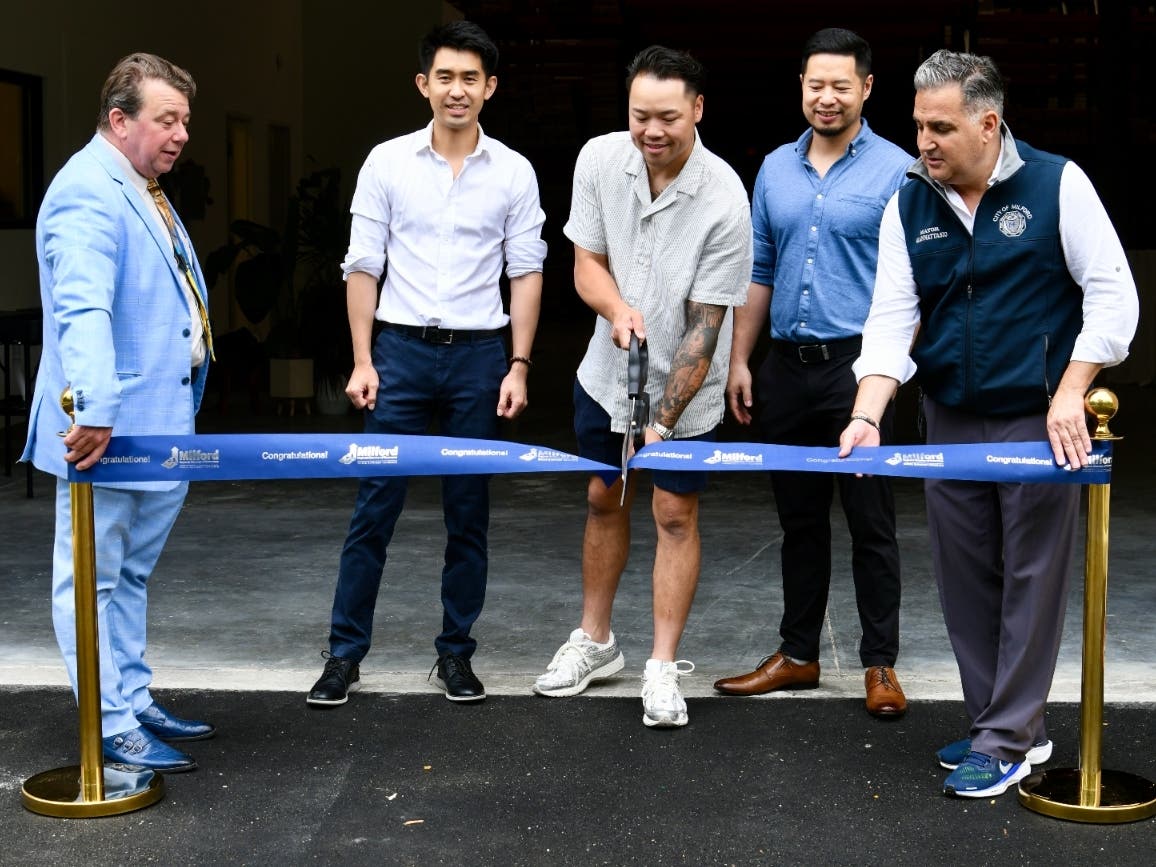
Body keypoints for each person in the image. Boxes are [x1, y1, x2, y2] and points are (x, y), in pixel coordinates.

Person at [838, 50, 1138, 798]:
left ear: (988, 122)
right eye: (917, 126)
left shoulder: (1056, 183)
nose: (924, 142)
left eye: (940, 127)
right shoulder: (909, 200)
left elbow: (1113, 298)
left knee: (1030, 578)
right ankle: (1004, 727)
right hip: (947, 416)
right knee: (965, 576)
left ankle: (1004, 738)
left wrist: (1072, 389)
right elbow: (890, 321)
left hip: (1039, 418)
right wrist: (866, 415)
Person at [306, 20, 545, 707]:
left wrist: (519, 364)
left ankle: (456, 654)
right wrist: (362, 359)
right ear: (423, 84)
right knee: (373, 508)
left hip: (478, 357)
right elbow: (362, 266)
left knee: (467, 513)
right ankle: (344, 654)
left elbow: (525, 272)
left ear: (490, 87)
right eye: (445, 76)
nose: (457, 89)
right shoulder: (386, 163)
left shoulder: (515, 171)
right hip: (401, 354)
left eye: (471, 77)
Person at [533, 46, 752, 728]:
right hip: (607, 373)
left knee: (673, 514)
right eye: (639, 116)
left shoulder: (725, 197)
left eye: (666, 117)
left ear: (697, 109)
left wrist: (659, 421)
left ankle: (661, 665)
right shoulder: (599, 159)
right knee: (603, 497)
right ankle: (596, 641)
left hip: (688, 388)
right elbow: (587, 263)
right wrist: (617, 309)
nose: (651, 131)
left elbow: (705, 329)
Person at [23, 53, 215, 773]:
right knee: (91, 580)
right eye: (167, 120)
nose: (181, 135)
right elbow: (84, 309)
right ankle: (108, 723)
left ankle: (132, 697)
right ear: (119, 120)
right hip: (106, 431)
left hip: (158, 424)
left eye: (185, 121)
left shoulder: (140, 185)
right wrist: (96, 411)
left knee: (129, 575)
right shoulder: (87, 192)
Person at [713, 28, 910, 719]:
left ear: (866, 88)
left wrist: (885, 382)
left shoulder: (899, 170)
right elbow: (759, 269)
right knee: (799, 521)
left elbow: (912, 283)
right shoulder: (774, 168)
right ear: (801, 87)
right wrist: (741, 358)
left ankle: (879, 663)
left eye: (840, 85)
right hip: (787, 371)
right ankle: (798, 653)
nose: (826, 98)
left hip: (860, 371)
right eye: (814, 85)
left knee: (870, 523)